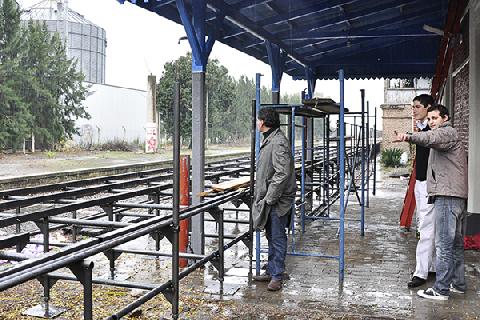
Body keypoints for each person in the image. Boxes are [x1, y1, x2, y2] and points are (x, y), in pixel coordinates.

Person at [394, 104, 468, 301]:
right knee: (455, 245)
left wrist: (408, 136)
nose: (431, 122)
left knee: (443, 244)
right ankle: (458, 284)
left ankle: (441, 289)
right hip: (456, 196)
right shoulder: (449, 135)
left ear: (445, 118)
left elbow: (430, 138)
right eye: (429, 119)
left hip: (447, 196)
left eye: (434, 118)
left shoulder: (446, 133)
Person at [252, 107, 296, 291]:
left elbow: (282, 173)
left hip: (277, 201)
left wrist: (269, 197)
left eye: (257, 119)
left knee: (277, 237)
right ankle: (272, 270)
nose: (256, 122)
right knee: (271, 235)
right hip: (271, 199)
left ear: (263, 122)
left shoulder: (277, 142)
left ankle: (277, 276)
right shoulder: (271, 139)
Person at [408, 94, 436, 288]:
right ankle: (430, 266)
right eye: (413, 107)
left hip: (428, 183)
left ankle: (421, 272)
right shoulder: (422, 128)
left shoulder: (430, 130)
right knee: (426, 224)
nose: (414, 110)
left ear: (428, 108)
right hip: (421, 182)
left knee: (425, 227)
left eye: (418, 106)